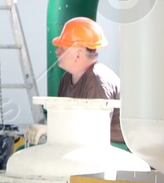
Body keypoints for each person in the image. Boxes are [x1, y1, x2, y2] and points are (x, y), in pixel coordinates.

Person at [53, 16, 124, 144]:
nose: (57, 51)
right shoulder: (67, 78)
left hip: (115, 149)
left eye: (62, 48)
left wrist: (50, 130)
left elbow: (95, 131)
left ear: (78, 55)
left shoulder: (97, 81)